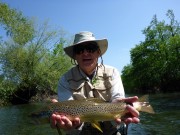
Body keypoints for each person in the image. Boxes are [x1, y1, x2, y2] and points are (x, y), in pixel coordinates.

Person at [50, 31, 139, 135]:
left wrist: (118, 111)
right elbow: (68, 115)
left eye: (90, 48)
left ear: (98, 52)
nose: (85, 53)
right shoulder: (65, 80)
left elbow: (117, 99)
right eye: (80, 50)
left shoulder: (112, 72)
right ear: (75, 56)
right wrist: (73, 124)